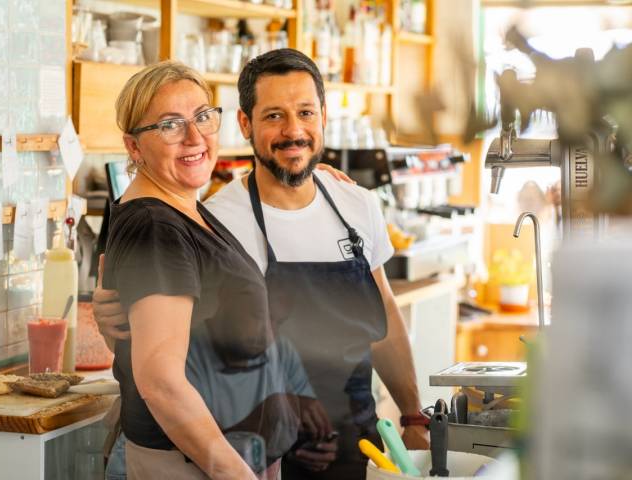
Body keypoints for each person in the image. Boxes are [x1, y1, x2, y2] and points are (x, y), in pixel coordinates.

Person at [96, 49, 429, 479]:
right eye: (274, 116)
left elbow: (382, 310)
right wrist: (115, 328)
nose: (293, 131)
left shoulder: (353, 203)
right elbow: (163, 367)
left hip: (347, 438)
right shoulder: (216, 216)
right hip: (237, 450)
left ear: (323, 117)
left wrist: (412, 415)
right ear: (245, 125)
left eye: (305, 113)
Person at [102, 59, 305, 480]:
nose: (194, 137)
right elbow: (160, 381)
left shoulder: (185, 208)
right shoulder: (156, 227)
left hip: (229, 451)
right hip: (195, 463)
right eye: (170, 125)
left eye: (202, 117)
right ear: (134, 146)